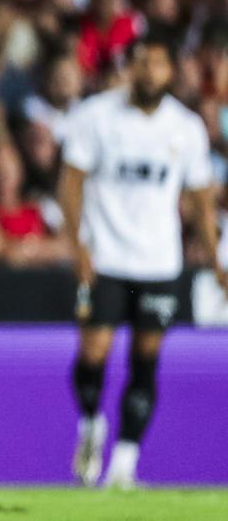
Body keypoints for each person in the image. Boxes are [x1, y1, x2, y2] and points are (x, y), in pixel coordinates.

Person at [61, 34, 228, 489]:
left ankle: (125, 464)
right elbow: (71, 182)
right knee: (92, 353)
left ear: (171, 71)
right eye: (141, 63)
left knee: (146, 359)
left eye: (157, 63)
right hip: (107, 259)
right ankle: (92, 423)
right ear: (129, 68)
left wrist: (217, 262)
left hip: (158, 264)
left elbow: (199, 200)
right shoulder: (96, 117)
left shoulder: (186, 128)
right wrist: (77, 245)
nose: (148, 72)